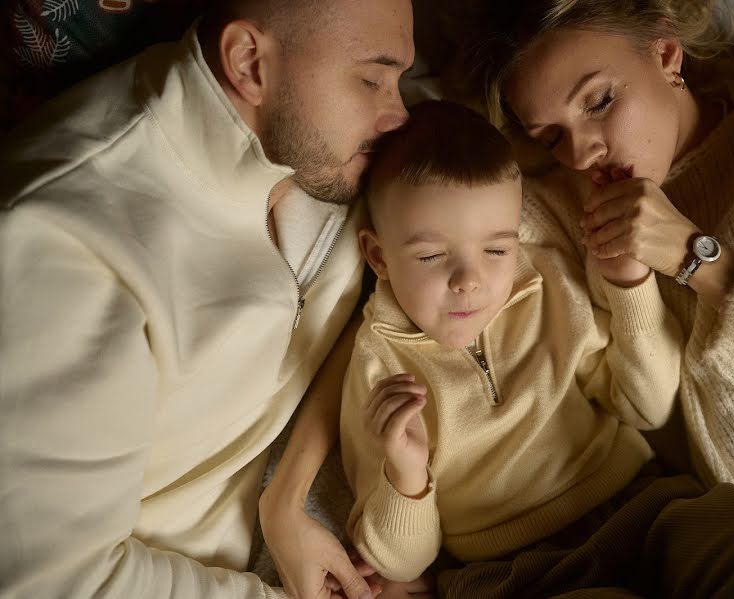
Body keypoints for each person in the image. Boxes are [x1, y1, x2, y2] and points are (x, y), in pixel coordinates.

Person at [465, 0, 734, 595]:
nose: (583, 151)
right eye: (550, 135)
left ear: (667, 55)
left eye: (599, 102)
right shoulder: (569, 208)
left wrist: (701, 261)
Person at [338, 99, 734, 598]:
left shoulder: (545, 284)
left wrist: (630, 288)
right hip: (516, 574)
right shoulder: (377, 367)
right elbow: (403, 563)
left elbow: (647, 406)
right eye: (431, 256)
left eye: (497, 248)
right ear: (379, 257)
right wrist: (405, 474)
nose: (470, 281)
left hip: (645, 509)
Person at [0, 0, 420, 597]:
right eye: (372, 80)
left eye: (399, 78)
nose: (397, 114)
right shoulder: (62, 248)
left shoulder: (313, 141)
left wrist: (286, 501)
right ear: (248, 62)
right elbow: (54, 582)